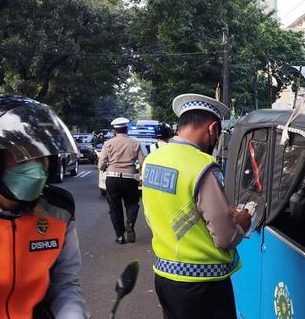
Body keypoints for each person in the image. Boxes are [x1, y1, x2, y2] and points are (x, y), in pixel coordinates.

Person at [0, 95, 89, 318]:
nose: (37, 169)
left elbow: (65, 285)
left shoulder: (58, 210)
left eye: (42, 157)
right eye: (21, 156)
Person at [141, 94, 251, 319]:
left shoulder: (152, 159)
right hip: (203, 285)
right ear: (212, 128)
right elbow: (224, 238)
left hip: (165, 276)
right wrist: (240, 223)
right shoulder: (203, 166)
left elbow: (157, 212)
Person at [97, 117, 145, 244]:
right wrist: (136, 168)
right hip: (130, 178)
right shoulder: (135, 143)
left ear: (114, 131)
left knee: (114, 207)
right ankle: (130, 223)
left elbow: (101, 163)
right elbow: (142, 162)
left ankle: (119, 236)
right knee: (132, 203)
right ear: (127, 129)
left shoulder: (108, 144)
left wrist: (104, 168)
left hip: (112, 178)